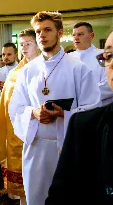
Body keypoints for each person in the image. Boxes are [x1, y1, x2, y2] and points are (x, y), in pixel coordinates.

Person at [8, 11, 101, 205]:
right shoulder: (28, 71)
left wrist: (64, 114)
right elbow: (16, 107)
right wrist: (33, 112)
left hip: (67, 150)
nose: (42, 35)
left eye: (48, 30)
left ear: (60, 33)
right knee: (36, 199)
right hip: (36, 149)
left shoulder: (78, 68)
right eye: (38, 31)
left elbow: (93, 110)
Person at [46, 29, 113, 205]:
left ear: (92, 35)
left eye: (81, 34)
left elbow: (98, 90)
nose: (111, 63)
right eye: (109, 56)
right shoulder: (83, 126)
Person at [0, 28, 40, 204]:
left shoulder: (46, 68)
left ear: (37, 44)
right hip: (18, 132)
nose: (24, 48)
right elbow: (7, 106)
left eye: (28, 44)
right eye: (21, 45)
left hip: (43, 131)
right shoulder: (14, 74)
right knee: (23, 189)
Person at [70, 22, 113, 106]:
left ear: (91, 35)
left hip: (101, 108)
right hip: (73, 109)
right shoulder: (67, 58)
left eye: (80, 34)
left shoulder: (103, 55)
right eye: (74, 35)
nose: (76, 38)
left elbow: (108, 84)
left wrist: (80, 94)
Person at [0, 43, 18, 115]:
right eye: (3, 54)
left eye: (9, 54)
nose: (5, 57)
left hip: (19, 111)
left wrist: (9, 88)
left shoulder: (23, 70)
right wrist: (2, 90)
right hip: (2, 110)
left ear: (16, 55)